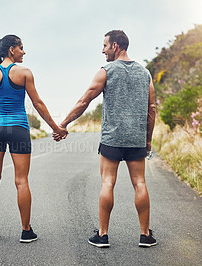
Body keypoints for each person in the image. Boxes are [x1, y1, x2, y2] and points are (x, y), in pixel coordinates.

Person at [54, 30, 156, 248]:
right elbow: (152, 109)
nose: (102, 50)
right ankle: (145, 235)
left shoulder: (106, 71)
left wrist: (63, 124)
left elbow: (84, 101)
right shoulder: (145, 73)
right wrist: (147, 139)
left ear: (116, 46)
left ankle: (103, 235)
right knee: (140, 183)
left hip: (112, 139)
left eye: (105, 46)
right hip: (136, 139)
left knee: (108, 182)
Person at [0, 34, 68, 242]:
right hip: (18, 128)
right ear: (12, 49)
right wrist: (56, 128)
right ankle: (26, 231)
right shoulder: (24, 73)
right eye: (21, 48)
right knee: (21, 181)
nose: (24, 52)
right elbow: (38, 104)